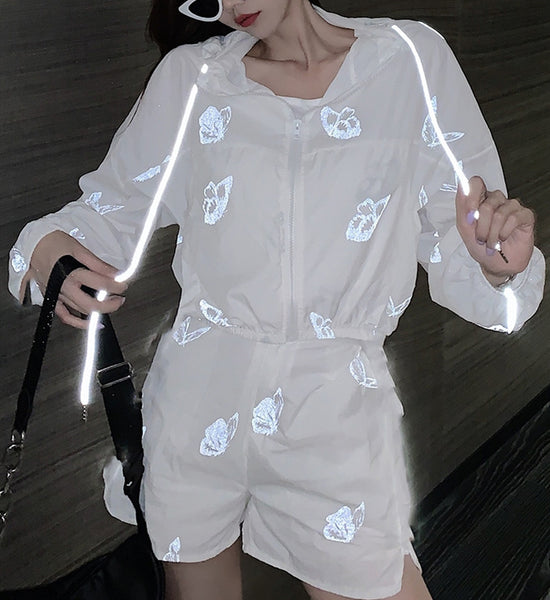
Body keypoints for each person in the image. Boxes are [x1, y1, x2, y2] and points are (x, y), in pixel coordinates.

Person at [7, 1, 545, 599]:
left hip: (335, 410)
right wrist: (43, 246)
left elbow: (464, 236)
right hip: (197, 403)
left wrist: (500, 269)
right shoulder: (193, 78)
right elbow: (108, 211)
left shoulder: (408, 61)